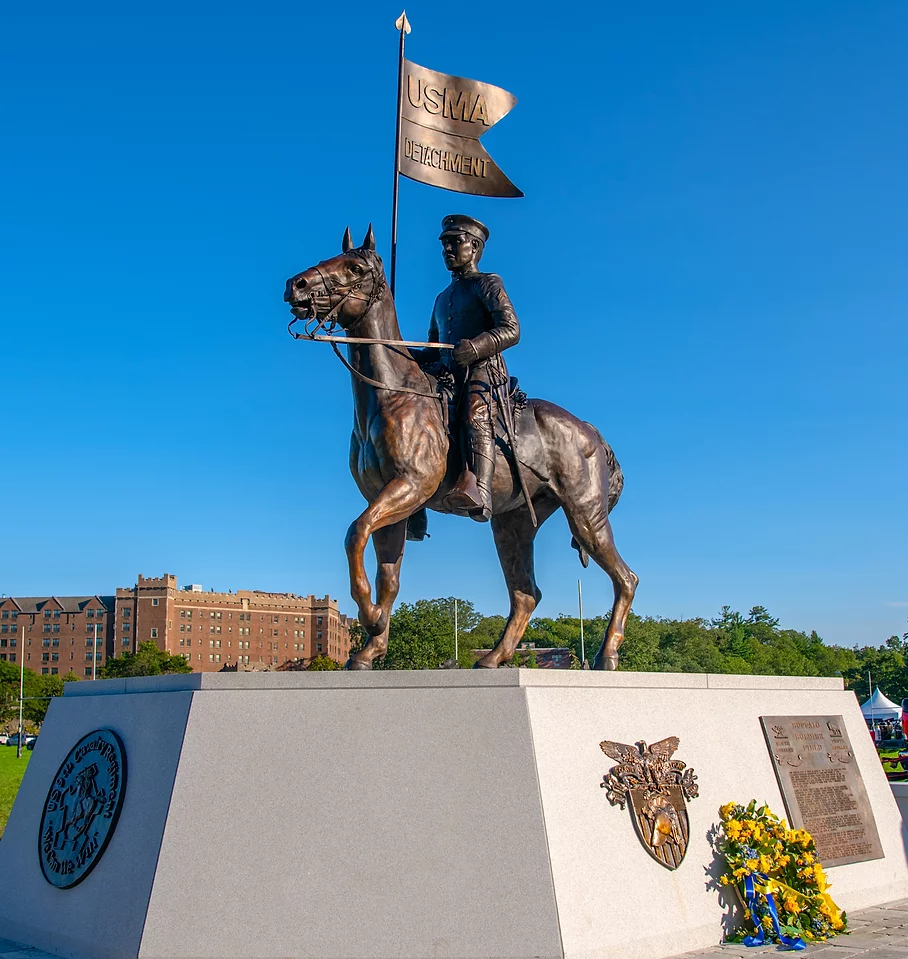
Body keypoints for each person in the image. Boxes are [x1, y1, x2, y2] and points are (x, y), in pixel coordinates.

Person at [414, 214, 520, 521]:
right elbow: (433, 348)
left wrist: (475, 347)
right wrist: (398, 352)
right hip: (447, 374)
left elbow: (511, 329)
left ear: (474, 247)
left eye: (454, 242)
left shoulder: (487, 284)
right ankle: (414, 505)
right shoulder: (440, 299)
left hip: (483, 370)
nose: (447, 249)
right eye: (444, 244)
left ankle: (480, 492)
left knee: (475, 412)